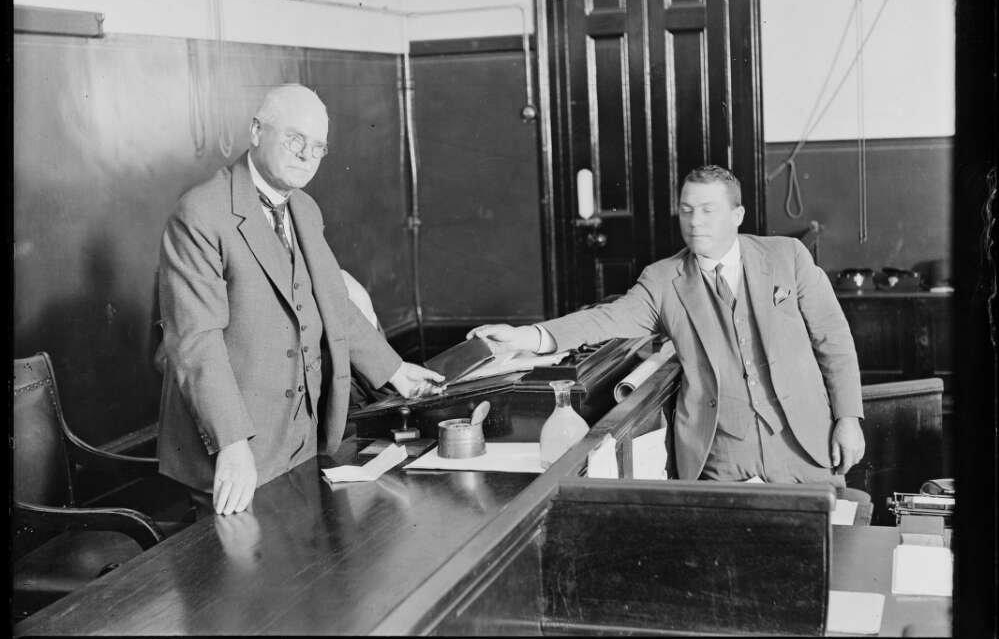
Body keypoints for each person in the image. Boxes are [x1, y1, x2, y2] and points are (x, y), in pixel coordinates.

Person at [470, 165, 865, 486]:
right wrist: (526, 336)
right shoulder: (663, 280)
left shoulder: (787, 257)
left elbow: (834, 339)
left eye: (708, 210)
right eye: (687, 209)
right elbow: (606, 318)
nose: (694, 222)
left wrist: (848, 419)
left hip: (805, 446)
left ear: (737, 215)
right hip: (722, 455)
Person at [157, 84, 444, 516]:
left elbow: (331, 300)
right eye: (295, 140)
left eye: (318, 147)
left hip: (302, 440)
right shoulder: (201, 213)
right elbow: (197, 342)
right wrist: (232, 446)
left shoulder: (305, 210)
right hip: (236, 450)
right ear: (256, 131)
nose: (306, 156)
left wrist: (395, 370)